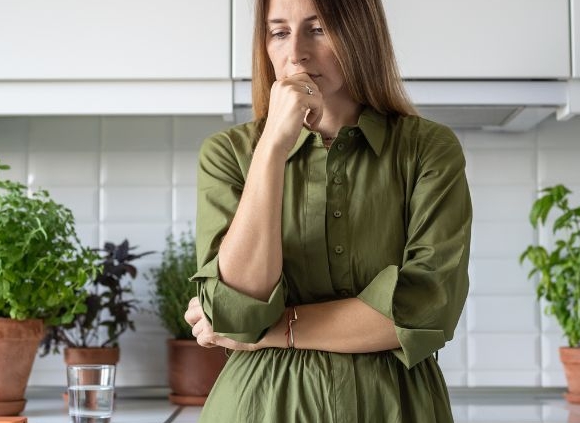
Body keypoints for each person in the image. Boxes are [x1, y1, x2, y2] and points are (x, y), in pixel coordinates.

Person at [183, 0, 471, 420]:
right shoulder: (228, 155)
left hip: (395, 408)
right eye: (279, 32)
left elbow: (425, 310)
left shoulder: (427, 150)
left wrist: (269, 332)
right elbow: (238, 311)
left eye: (317, 30)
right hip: (258, 407)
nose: (295, 53)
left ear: (360, 36)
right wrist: (272, 149)